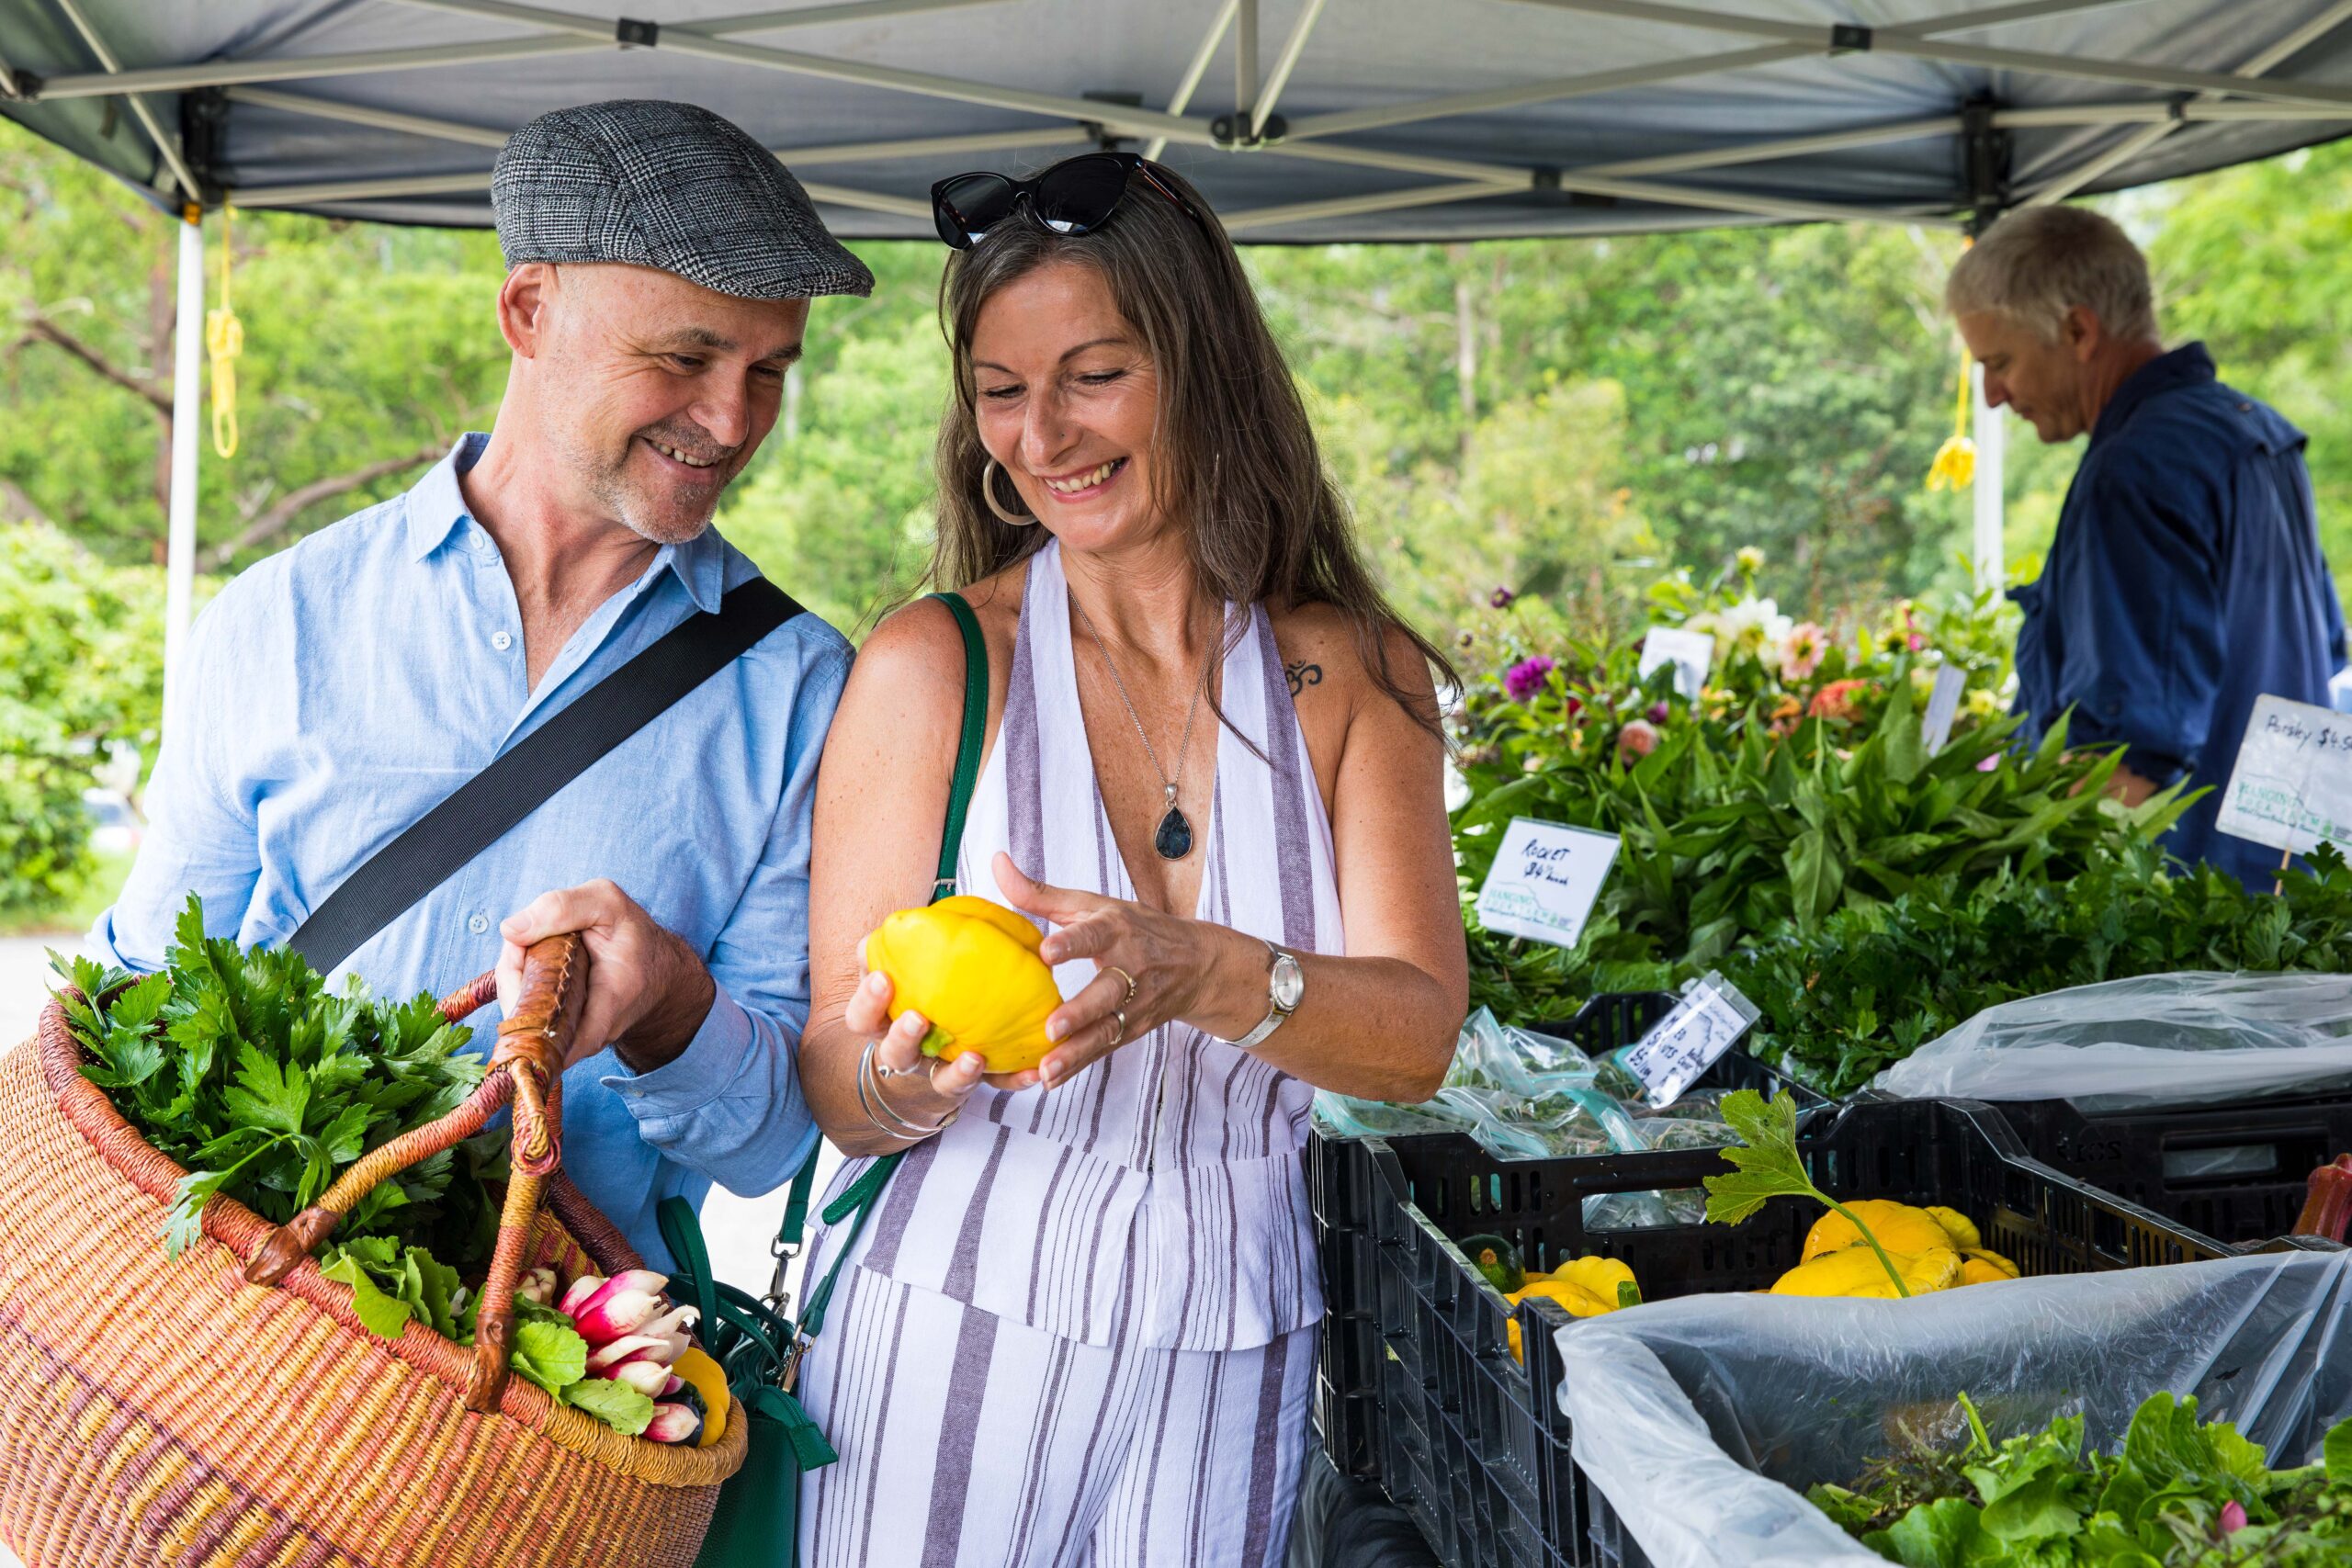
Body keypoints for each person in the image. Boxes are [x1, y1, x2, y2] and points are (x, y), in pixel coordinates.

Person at [791, 151, 1467, 1565]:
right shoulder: (936, 665)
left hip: (1243, 1345)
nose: (1043, 434)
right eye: (1000, 388)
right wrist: (894, 1079)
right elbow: (833, 1080)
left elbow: (1415, 1037)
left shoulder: (1351, 671)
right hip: (957, 1329)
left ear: (1199, 369)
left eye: (1094, 374)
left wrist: (1206, 971)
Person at [91, 100, 874, 1270]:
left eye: (766, 370)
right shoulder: (279, 617)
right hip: (244, 1350)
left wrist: (675, 1011)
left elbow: (765, 1149)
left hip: (546, 1418)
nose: (729, 420)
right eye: (684, 356)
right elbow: (137, 1007)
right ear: (528, 307)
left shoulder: (801, 689)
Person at [1948, 205, 2345, 889]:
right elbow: (2327, 651)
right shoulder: (2254, 431)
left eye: (2000, 362)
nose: (1991, 395)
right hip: (2287, 894)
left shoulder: (2134, 470)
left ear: (2077, 330)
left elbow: (2124, 768)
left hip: (2183, 914)